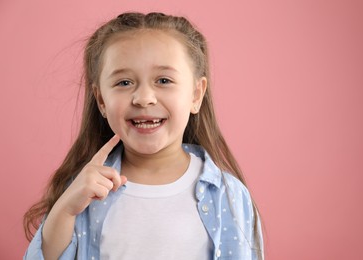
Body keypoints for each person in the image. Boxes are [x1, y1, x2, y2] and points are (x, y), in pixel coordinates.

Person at [23, 12, 264, 260]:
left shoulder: (228, 195)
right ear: (102, 101)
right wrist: (64, 210)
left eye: (163, 80)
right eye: (124, 83)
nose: (143, 98)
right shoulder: (82, 192)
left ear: (195, 94)